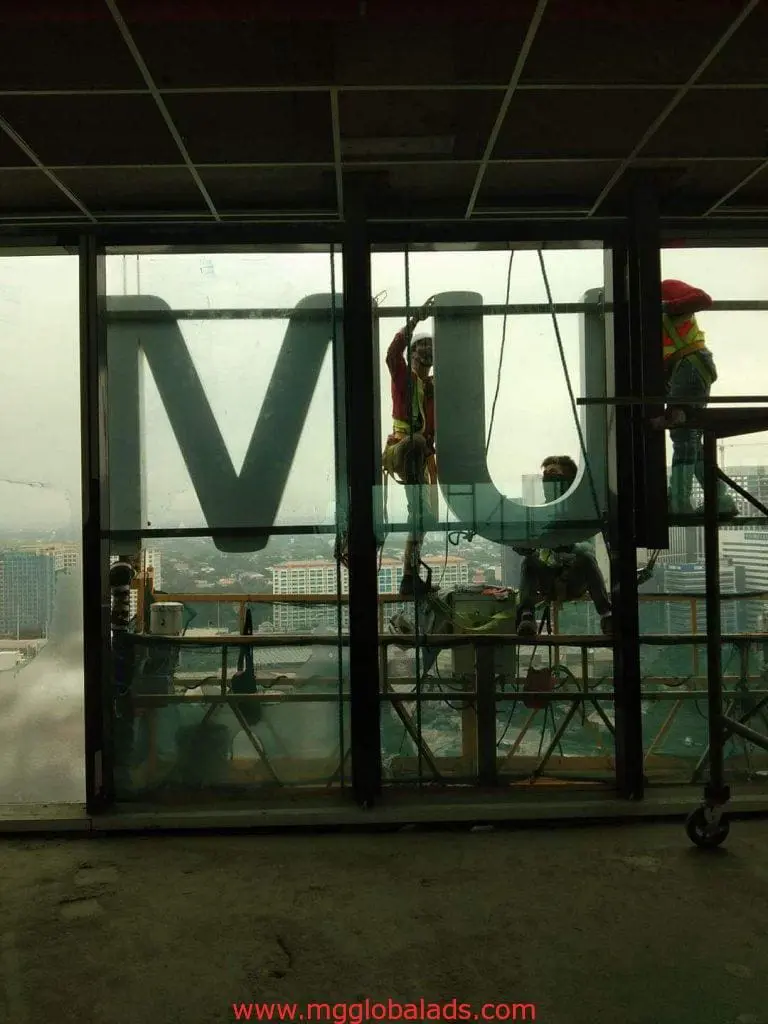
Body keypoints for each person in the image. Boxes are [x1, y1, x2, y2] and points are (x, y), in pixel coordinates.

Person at [661, 279, 737, 518]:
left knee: (684, 436)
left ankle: (680, 503)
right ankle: (720, 500)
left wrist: (664, 306)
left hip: (690, 364)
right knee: (690, 439)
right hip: (684, 368)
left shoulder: (665, 287)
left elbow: (703, 299)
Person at [515, 455, 613, 636]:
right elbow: (527, 545)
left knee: (586, 557)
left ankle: (607, 615)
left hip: (575, 576)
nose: (548, 483)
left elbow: (587, 546)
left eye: (554, 477)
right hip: (548, 579)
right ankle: (527, 616)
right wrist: (525, 546)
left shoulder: (582, 513)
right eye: (545, 478)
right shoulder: (539, 514)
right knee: (528, 562)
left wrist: (565, 546)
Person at [382, 296, 439, 597]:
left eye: (431, 346)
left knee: (425, 519)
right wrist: (414, 320)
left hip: (419, 452)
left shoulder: (433, 389)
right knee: (416, 441)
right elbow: (393, 354)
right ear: (413, 353)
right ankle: (408, 577)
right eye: (421, 346)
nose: (426, 350)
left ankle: (409, 575)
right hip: (402, 448)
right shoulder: (404, 378)